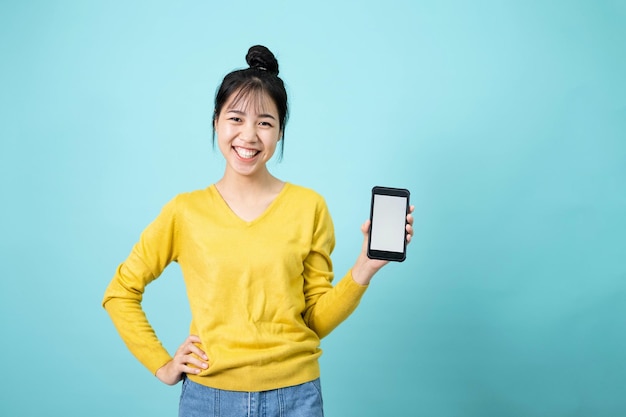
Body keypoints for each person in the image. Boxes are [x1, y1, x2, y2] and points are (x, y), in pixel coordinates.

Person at [102, 45, 414, 417]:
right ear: (216, 121)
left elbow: (313, 320)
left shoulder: (309, 207)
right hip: (209, 399)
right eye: (235, 118)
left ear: (280, 131)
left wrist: (365, 266)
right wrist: (163, 365)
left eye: (264, 122)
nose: (248, 135)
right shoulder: (184, 212)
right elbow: (120, 292)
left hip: (296, 397)